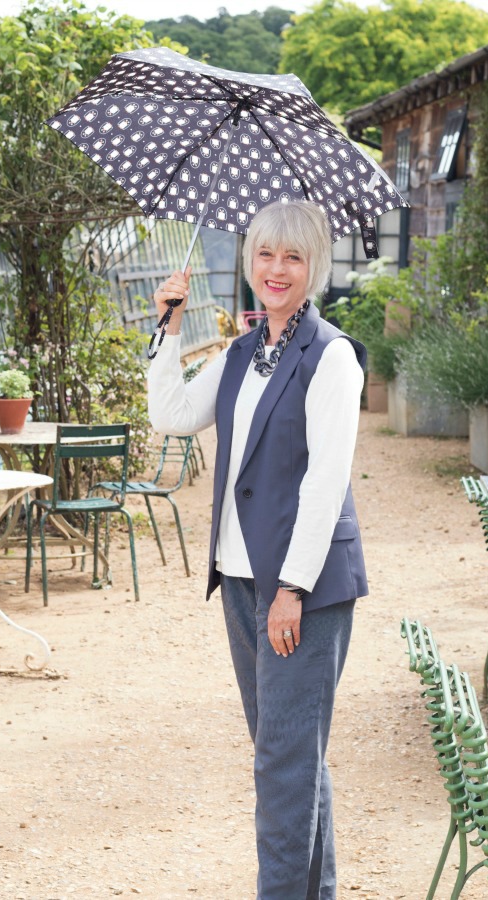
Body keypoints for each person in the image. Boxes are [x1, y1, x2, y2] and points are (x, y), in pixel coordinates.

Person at [147, 200, 368, 900]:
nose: (277, 269)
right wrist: (168, 327)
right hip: (242, 584)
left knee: (282, 764)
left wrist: (292, 589)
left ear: (314, 267)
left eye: (294, 257)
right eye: (266, 254)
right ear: (249, 261)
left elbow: (327, 483)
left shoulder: (330, 357)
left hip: (299, 591)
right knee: (292, 760)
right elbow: (173, 416)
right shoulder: (244, 351)